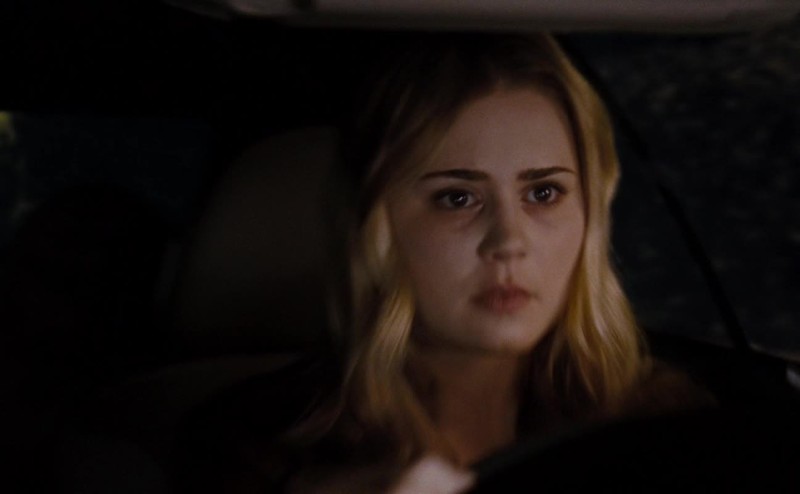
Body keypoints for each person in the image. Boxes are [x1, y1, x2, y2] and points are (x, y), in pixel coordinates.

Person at [172, 32, 711, 494]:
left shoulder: (661, 418)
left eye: (544, 193)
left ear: (591, 210)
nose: (509, 241)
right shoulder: (259, 447)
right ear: (376, 224)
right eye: (457, 198)